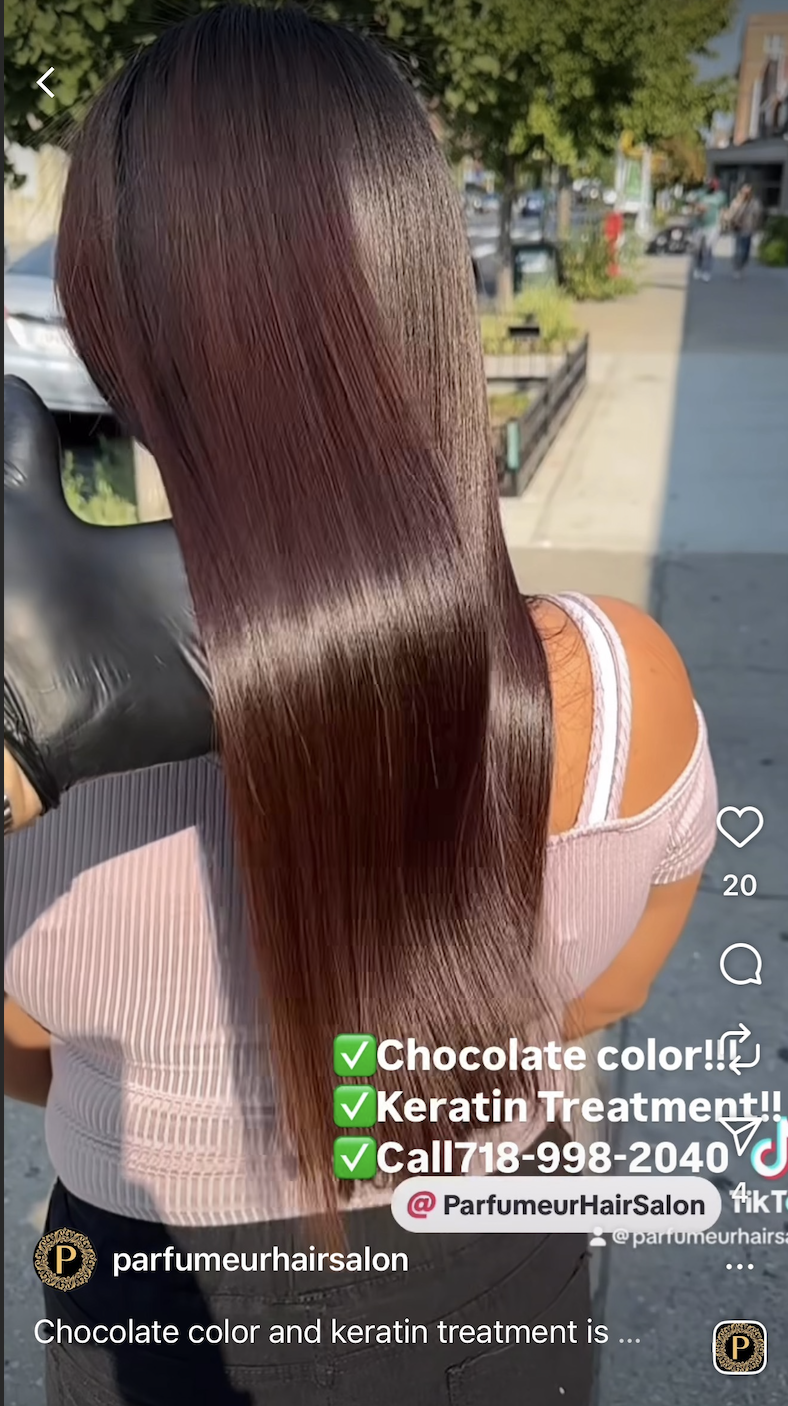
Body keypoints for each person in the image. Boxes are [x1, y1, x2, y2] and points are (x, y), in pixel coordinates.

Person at [3, 8, 718, 1405]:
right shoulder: (617, 686)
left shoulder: (37, 758)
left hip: (147, 1281)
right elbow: (611, 988)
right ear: (419, 284)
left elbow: (27, 1054)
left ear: (108, 319)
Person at [690, 178, 727, 281]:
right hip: (699, 224)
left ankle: (707, 271)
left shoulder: (721, 196)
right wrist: (698, 206)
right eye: (711, 187)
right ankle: (698, 267)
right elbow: (691, 200)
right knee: (698, 248)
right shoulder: (701, 194)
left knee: (709, 248)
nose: (712, 189)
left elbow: (723, 209)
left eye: (714, 187)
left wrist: (724, 223)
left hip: (712, 226)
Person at [729, 184, 762, 276]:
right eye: (744, 192)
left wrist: (756, 226)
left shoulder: (754, 203)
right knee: (738, 249)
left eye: (748, 192)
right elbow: (731, 213)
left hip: (748, 228)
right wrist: (733, 222)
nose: (745, 194)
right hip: (738, 228)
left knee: (746, 250)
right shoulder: (736, 201)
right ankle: (737, 267)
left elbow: (757, 215)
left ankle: (742, 263)